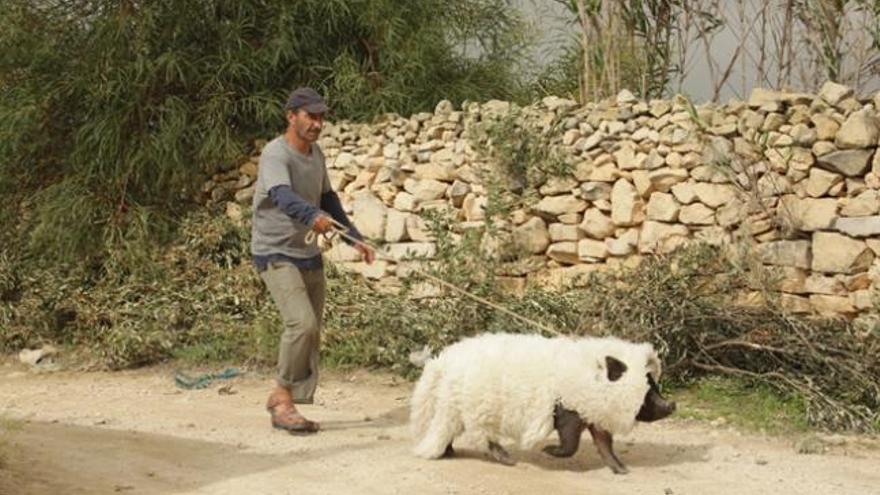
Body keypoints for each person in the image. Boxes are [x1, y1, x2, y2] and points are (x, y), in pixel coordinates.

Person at [251, 86, 375, 434]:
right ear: (291, 116)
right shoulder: (276, 154)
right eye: (311, 116)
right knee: (301, 324)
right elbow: (282, 195)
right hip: (275, 251)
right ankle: (281, 397)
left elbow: (327, 198)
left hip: (306, 253)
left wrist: (355, 238)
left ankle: (290, 401)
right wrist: (312, 216)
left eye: (321, 117)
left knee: (312, 331)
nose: (318, 123)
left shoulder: (316, 154)